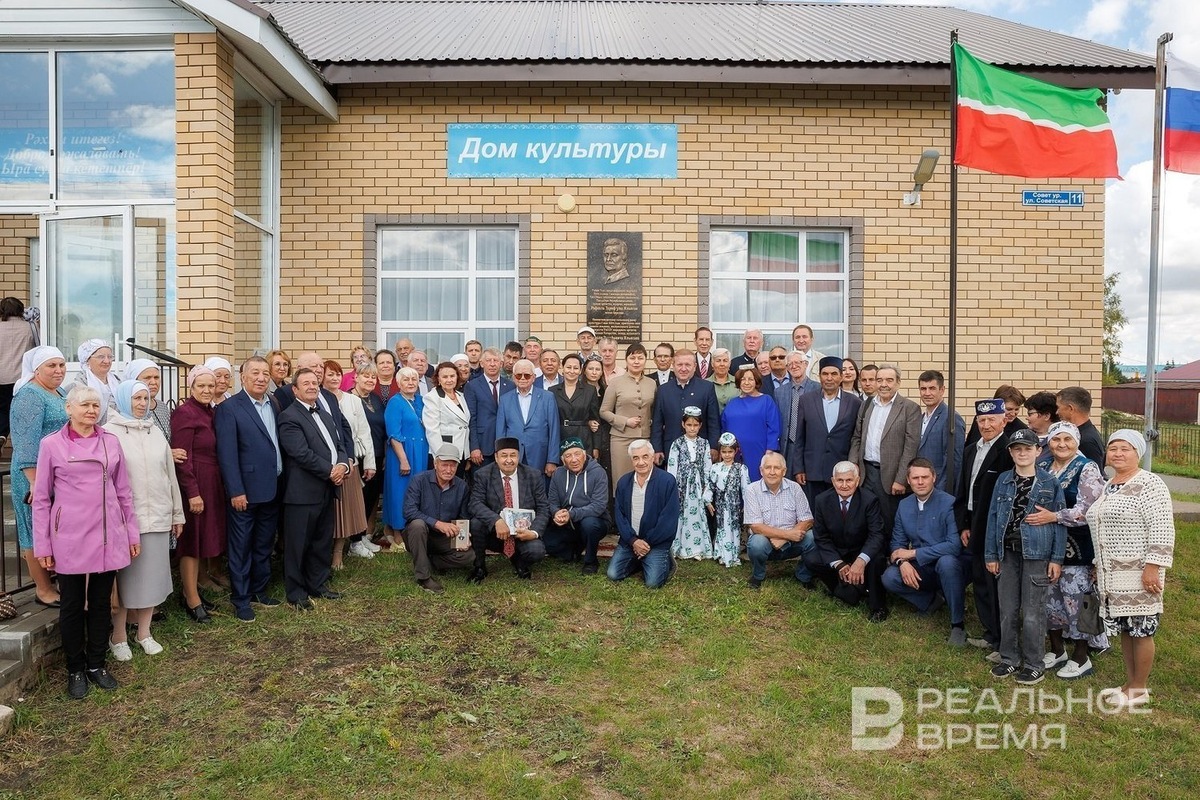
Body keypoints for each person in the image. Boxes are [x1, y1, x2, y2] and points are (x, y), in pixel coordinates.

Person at [34, 385, 140, 698]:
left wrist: (131, 532)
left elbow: (124, 492)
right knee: (70, 606)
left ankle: (97, 664)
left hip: (108, 534)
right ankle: (75, 669)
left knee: (100, 603)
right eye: (84, 405)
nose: (91, 411)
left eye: (96, 405)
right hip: (69, 535)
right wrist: (43, 545)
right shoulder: (51, 445)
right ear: (69, 409)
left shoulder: (110, 441)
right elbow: (41, 499)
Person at [1086, 430, 1176, 708]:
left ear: (1138, 453)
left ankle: (1139, 689)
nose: (1118, 454)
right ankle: (1129, 683)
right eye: (1113, 448)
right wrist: (1096, 565)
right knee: (1126, 629)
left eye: (1125, 449)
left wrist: (1153, 567)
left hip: (1139, 572)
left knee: (1142, 629)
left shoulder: (1149, 483)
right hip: (1112, 573)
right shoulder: (1109, 484)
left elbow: (1162, 527)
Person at [104, 380, 184, 658]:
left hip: (158, 515)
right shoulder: (108, 433)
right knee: (125, 579)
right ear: (124, 399)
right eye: (136, 398)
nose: (141, 403)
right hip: (126, 519)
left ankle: (144, 632)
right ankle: (118, 636)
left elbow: (169, 475)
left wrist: (177, 512)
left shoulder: (155, 432)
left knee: (152, 578)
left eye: (146, 398)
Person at [1025, 421, 1108, 679]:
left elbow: (1089, 510)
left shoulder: (1087, 468)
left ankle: (1081, 657)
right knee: (1049, 598)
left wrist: (1054, 516)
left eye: (1067, 440)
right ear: (1048, 442)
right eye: (1056, 439)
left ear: (1076, 443)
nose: (1061, 445)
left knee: (1077, 599)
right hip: (1047, 544)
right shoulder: (1041, 466)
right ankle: (1057, 650)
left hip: (1078, 546)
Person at [984, 428, 1066, 685]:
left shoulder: (1050, 483)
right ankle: (1009, 658)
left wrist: (1056, 558)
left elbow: (1059, 521)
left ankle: (1033, 663)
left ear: (1038, 451)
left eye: (1027, 448)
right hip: (1007, 553)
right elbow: (993, 518)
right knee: (1007, 608)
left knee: (1033, 611)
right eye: (1017, 449)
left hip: (1037, 554)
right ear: (1010, 452)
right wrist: (991, 553)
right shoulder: (1003, 481)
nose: (1022, 453)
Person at [214, 356, 284, 622]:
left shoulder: (273, 403)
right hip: (245, 491)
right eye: (255, 373)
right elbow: (227, 454)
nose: (261, 378)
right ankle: (241, 599)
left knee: (264, 543)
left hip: (273, 486)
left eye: (265, 373)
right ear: (242, 377)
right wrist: (235, 491)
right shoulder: (230, 408)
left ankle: (259, 590)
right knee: (241, 546)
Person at [277, 367, 352, 611]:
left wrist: (342, 464)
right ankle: (296, 593)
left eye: (314, 383)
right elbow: (300, 453)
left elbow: (338, 444)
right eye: (306, 383)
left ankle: (317, 585)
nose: (312, 386)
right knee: (298, 544)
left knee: (321, 541)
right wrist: (330, 471)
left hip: (327, 489)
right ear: (295, 389)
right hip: (302, 492)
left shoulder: (325, 414)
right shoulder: (289, 417)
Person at [883, 458, 970, 646]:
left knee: (947, 562)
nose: (920, 482)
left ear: (934, 478)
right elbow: (897, 544)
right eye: (915, 478)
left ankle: (957, 624)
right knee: (889, 577)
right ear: (908, 480)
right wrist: (902, 563)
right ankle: (931, 600)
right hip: (922, 567)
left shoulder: (949, 503)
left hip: (949, 565)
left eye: (925, 477)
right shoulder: (904, 505)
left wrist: (912, 554)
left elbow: (954, 545)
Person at [10, 346, 69, 607]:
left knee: (51, 528)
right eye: (51, 366)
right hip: (33, 474)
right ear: (37, 370)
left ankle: (55, 581)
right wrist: (34, 481)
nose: (58, 370)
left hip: (57, 473)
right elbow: (25, 442)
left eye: (61, 365)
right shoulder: (29, 396)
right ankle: (43, 589)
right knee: (34, 531)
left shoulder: (60, 392)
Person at [954, 398, 1013, 658]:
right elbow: (964, 490)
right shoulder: (971, 450)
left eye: (992, 419)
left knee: (998, 585)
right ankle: (991, 633)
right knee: (980, 580)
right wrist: (964, 525)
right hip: (974, 525)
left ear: (1003, 420)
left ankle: (1004, 641)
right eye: (982, 420)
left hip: (995, 528)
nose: (986, 424)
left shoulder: (1008, 451)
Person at [172, 366, 228, 624]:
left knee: (203, 538)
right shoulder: (185, 413)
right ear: (191, 388)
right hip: (195, 484)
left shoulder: (209, 411)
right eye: (200, 386)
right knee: (191, 543)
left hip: (211, 482)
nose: (206, 390)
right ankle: (190, 597)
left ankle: (195, 590)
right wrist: (193, 493)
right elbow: (182, 459)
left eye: (210, 385)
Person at [802, 462, 888, 621]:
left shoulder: (870, 500)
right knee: (811, 559)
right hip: (838, 551)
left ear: (857, 481)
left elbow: (877, 534)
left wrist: (861, 561)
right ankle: (842, 587)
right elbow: (821, 536)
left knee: (877, 560)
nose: (844, 485)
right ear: (833, 481)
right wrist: (838, 563)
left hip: (862, 551)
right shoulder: (822, 500)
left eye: (849, 480)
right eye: (840, 480)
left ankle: (878, 607)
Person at [847, 364, 920, 534]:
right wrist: (853, 464)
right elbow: (857, 437)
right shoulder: (867, 404)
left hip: (890, 476)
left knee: (889, 521)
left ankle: (890, 557)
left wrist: (901, 479)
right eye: (879, 380)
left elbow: (911, 446)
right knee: (865, 518)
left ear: (898, 383)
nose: (883, 384)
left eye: (889, 380)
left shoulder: (909, 408)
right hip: (866, 473)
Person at [467, 437, 550, 583]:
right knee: (476, 524)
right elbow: (474, 503)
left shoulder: (533, 475)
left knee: (536, 551)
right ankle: (479, 566)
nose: (508, 460)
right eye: (504, 455)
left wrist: (534, 532)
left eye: (513, 455)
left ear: (518, 456)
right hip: (495, 534)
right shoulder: (483, 474)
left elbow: (543, 507)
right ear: (496, 457)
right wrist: (496, 521)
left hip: (522, 533)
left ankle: (519, 560)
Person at [401, 443, 476, 593]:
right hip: (419, 535)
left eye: (453, 466)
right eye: (444, 465)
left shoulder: (462, 486)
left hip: (444, 537)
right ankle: (423, 577)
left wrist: (463, 536)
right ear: (435, 463)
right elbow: (409, 511)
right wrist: (437, 524)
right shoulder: (419, 480)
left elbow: (463, 517)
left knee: (469, 556)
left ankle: (430, 561)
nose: (449, 470)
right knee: (417, 524)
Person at [608, 440, 680, 589]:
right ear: (631, 460)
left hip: (656, 543)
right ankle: (640, 560)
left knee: (652, 583)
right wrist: (634, 541)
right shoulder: (624, 482)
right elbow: (620, 515)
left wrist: (647, 543)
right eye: (636, 458)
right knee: (613, 574)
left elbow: (668, 520)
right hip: (631, 541)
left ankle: (664, 559)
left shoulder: (667, 481)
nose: (641, 462)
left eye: (645, 456)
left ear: (653, 457)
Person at [789, 355, 861, 503]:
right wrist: (799, 468)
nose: (829, 378)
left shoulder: (854, 402)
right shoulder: (806, 400)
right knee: (814, 513)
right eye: (825, 374)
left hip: (841, 473)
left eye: (834, 374)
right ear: (819, 376)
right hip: (812, 469)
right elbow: (799, 436)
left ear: (841, 377)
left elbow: (856, 437)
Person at [744, 451, 815, 590]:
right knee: (756, 543)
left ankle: (804, 575)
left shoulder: (795, 488)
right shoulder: (752, 490)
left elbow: (807, 520)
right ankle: (758, 575)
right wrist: (787, 535)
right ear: (761, 470)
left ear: (784, 471)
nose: (772, 472)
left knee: (813, 537)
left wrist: (787, 538)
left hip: (793, 543)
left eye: (776, 468)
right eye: (768, 467)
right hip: (767, 542)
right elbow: (756, 527)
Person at [325, 360, 371, 565]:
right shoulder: (316, 398)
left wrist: (369, 462)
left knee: (345, 511)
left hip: (348, 462)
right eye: (330, 374)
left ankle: (338, 554)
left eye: (337, 375)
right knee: (328, 512)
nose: (334, 378)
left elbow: (363, 431)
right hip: (324, 464)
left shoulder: (353, 400)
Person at [545, 438, 610, 574]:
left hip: (595, 519)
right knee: (547, 544)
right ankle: (575, 548)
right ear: (563, 460)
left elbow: (598, 506)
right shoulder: (558, 474)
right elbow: (552, 501)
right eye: (568, 456)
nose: (574, 460)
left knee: (589, 525)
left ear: (584, 454)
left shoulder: (598, 472)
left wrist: (571, 514)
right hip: (568, 522)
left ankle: (591, 561)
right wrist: (556, 513)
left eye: (577, 454)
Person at [600, 343, 656, 488]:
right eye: (632, 358)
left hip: (644, 438)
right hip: (621, 439)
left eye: (640, 358)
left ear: (645, 360)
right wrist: (625, 421)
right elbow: (604, 411)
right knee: (622, 482)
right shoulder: (616, 383)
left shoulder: (652, 383)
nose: (636, 361)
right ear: (626, 360)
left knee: (644, 481)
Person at [651, 349, 721, 464]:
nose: (683, 369)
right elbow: (657, 423)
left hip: (701, 451)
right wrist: (657, 448)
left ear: (694, 366)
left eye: (687, 365)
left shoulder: (707, 388)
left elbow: (713, 421)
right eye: (679, 364)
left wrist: (713, 446)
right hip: (671, 449)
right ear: (673, 366)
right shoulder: (663, 390)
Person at [496, 358, 561, 480]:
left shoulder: (547, 397)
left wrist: (552, 460)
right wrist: (501, 457)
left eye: (526, 375)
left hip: (539, 455)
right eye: (518, 375)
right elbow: (501, 431)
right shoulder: (505, 399)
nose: (522, 378)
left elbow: (554, 430)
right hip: (513, 455)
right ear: (513, 377)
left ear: (533, 377)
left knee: (538, 494)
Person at [382, 367, 427, 538]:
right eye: (406, 379)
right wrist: (403, 460)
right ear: (398, 383)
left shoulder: (421, 400)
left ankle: (413, 527)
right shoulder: (395, 402)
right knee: (400, 490)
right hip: (403, 453)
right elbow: (393, 434)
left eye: (413, 379)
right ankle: (396, 529)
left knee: (417, 491)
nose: (410, 383)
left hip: (421, 452)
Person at [668, 406, 714, 561]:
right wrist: (673, 487)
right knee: (682, 514)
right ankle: (681, 546)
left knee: (698, 514)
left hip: (698, 484)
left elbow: (707, 466)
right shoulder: (677, 444)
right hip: (682, 484)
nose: (692, 428)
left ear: (700, 425)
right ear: (683, 424)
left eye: (695, 425)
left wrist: (707, 486)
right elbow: (672, 467)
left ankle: (698, 547)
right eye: (689, 425)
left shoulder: (704, 443)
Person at [350, 364, 387, 548]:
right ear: (355, 377)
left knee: (371, 497)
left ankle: (363, 536)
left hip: (378, 455)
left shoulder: (376, 399)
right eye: (366, 376)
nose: (370, 380)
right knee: (359, 498)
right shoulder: (348, 399)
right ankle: (354, 540)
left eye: (373, 377)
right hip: (361, 456)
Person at [720, 368, 780, 483]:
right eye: (743, 379)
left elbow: (774, 427)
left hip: (758, 453)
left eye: (750, 379)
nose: (746, 383)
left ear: (756, 381)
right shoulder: (732, 403)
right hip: (734, 454)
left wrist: (770, 452)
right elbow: (724, 427)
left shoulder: (766, 401)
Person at [915, 370, 965, 494]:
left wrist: (942, 491)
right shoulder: (921, 418)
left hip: (939, 489)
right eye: (923, 389)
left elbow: (954, 460)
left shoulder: (951, 418)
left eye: (932, 388)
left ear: (942, 390)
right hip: (921, 488)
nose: (927, 393)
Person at [464, 348, 514, 467]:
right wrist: (474, 447)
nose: (492, 364)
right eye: (488, 360)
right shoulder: (472, 386)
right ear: (482, 363)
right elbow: (471, 418)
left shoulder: (511, 386)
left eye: (495, 360)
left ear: (501, 364)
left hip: (505, 444)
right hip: (482, 446)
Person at [706, 432, 749, 567]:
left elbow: (745, 488)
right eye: (724, 452)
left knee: (734, 529)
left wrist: (746, 504)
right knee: (721, 528)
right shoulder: (715, 468)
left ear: (735, 451)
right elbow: (710, 486)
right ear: (720, 452)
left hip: (734, 505)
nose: (727, 455)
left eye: (730, 451)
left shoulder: (741, 468)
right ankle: (721, 553)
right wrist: (708, 501)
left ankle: (733, 555)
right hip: (720, 504)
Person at [124, 358, 180, 458]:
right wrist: (167, 454)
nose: (153, 382)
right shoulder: (129, 410)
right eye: (147, 378)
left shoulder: (162, 406)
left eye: (156, 377)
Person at [423, 361, 471, 476]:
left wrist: (467, 454)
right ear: (438, 379)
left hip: (461, 452)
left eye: (452, 376)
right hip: (444, 453)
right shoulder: (432, 398)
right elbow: (432, 430)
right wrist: (441, 457)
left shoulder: (461, 396)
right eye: (445, 377)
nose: (449, 380)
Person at [0, 297, 37, 444]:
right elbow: (38, 349)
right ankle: (21, 444)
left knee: (2, 409)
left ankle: (2, 435)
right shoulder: (30, 327)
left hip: (1, 377)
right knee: (22, 412)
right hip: (22, 379)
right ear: (21, 310)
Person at [550, 353, 600, 459]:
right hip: (560, 436)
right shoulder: (552, 391)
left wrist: (596, 447)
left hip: (583, 437)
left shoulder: (590, 391)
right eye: (568, 367)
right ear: (562, 368)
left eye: (576, 368)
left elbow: (595, 419)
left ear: (581, 370)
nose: (572, 371)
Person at [1055, 386, 1105, 465]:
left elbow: (1095, 473)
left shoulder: (1086, 441)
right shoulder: (1087, 433)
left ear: (1070, 409)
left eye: (1058, 407)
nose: (1057, 412)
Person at [75, 338, 120, 424]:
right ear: (87, 360)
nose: (107, 361)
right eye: (101, 357)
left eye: (110, 357)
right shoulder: (79, 384)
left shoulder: (117, 382)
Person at [707, 347, 738, 412]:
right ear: (712, 364)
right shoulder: (705, 384)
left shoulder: (738, 382)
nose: (722, 364)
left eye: (725, 361)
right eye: (718, 361)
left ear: (729, 364)